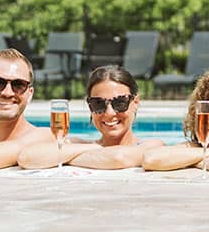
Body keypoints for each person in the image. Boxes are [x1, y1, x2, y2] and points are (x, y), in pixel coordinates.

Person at [18, 65, 163, 170]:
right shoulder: (82, 144)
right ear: (90, 106)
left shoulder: (152, 146)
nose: (109, 113)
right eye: (98, 103)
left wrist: (63, 157)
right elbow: (27, 157)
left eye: (120, 103)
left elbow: (118, 158)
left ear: (135, 102)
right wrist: (95, 148)